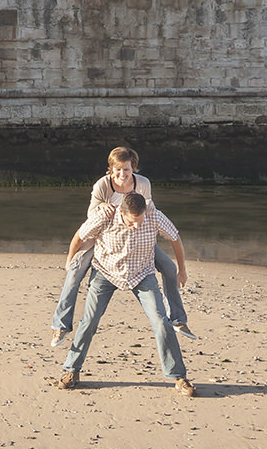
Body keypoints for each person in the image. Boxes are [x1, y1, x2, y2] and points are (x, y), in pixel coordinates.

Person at [50, 146, 192, 345]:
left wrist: (182, 272)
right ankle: (61, 326)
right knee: (74, 272)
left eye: (126, 169)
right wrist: (101, 206)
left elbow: (147, 211)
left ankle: (178, 320)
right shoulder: (103, 185)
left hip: (136, 238)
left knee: (169, 267)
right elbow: (90, 218)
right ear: (110, 169)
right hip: (103, 238)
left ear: (133, 167)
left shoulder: (142, 183)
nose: (122, 174)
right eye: (117, 170)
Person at [57, 192, 195, 396]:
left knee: (160, 321)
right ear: (121, 212)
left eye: (140, 221)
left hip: (142, 273)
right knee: (89, 321)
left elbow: (175, 238)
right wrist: (70, 262)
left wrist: (181, 270)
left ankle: (178, 376)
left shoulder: (153, 216)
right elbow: (79, 235)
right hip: (106, 273)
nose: (137, 226)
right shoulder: (105, 216)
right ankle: (71, 371)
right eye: (132, 222)